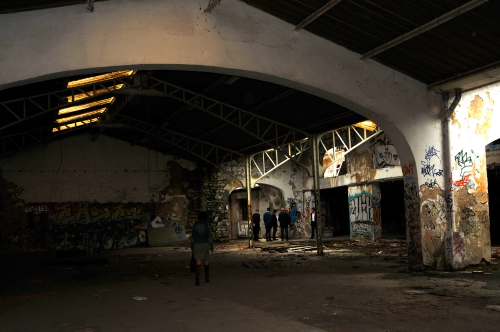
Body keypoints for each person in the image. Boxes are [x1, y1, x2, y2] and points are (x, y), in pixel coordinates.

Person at [191, 211, 214, 286]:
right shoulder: (206, 225)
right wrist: (211, 246)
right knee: (206, 261)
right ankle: (206, 278)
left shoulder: (195, 225)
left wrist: (192, 247)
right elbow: (209, 237)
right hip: (205, 244)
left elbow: (193, 238)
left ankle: (197, 280)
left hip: (197, 244)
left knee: (198, 262)